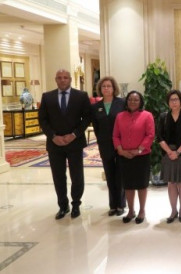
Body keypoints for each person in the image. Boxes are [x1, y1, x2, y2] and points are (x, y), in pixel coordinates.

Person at [38, 69, 91, 220]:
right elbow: (42, 120)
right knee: (58, 176)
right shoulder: (47, 97)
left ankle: (76, 205)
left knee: (77, 176)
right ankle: (63, 206)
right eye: (59, 78)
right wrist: (53, 136)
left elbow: (87, 118)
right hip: (55, 144)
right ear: (55, 79)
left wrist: (74, 135)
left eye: (65, 78)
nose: (62, 80)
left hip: (74, 143)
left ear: (70, 80)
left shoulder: (81, 96)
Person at [112, 91, 155, 224]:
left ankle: (142, 211)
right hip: (124, 156)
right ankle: (131, 211)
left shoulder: (147, 115)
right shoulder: (120, 116)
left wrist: (139, 150)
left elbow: (150, 135)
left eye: (136, 100)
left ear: (141, 102)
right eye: (130, 99)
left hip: (141, 156)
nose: (133, 102)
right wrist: (121, 151)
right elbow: (115, 136)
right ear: (126, 101)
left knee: (142, 185)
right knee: (128, 185)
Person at [157, 90, 181, 223]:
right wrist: (169, 152)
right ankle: (173, 210)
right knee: (171, 183)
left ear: (180, 101)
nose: (174, 102)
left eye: (176, 99)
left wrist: (177, 152)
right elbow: (159, 136)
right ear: (168, 102)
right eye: (171, 100)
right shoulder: (163, 116)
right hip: (168, 154)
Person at [91, 76, 126, 217]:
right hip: (105, 145)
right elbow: (96, 127)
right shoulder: (95, 107)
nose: (106, 88)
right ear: (100, 89)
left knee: (120, 175)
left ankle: (121, 204)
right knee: (110, 176)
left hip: (121, 145)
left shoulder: (122, 104)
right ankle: (113, 205)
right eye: (104, 86)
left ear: (114, 88)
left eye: (109, 86)